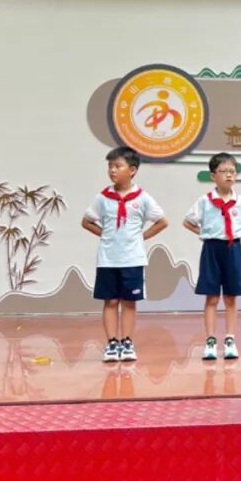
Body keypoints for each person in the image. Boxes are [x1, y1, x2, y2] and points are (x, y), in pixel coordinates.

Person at [81, 146, 168, 362]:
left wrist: (141, 237)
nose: (112, 170)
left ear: (132, 170)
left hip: (133, 259)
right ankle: (112, 343)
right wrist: (105, 235)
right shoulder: (103, 198)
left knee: (129, 302)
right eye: (110, 166)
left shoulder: (143, 198)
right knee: (110, 302)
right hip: (108, 259)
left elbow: (162, 221)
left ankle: (127, 342)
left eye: (117, 166)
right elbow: (87, 221)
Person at [183, 152, 241, 360]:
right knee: (211, 296)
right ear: (213, 176)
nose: (229, 175)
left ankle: (230, 339)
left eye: (232, 172)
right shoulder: (205, 201)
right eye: (223, 171)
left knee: (231, 297)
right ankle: (210, 340)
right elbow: (187, 221)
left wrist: (240, 233)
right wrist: (204, 233)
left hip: (233, 249)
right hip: (211, 249)